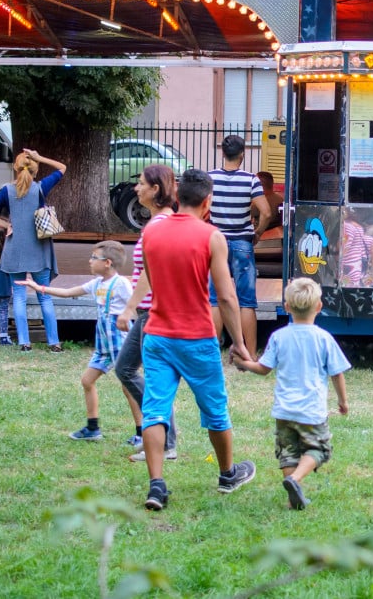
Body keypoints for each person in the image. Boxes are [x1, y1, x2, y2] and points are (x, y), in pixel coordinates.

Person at [139, 168, 257, 511]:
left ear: (177, 197)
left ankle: (157, 486)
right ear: (208, 202)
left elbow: (151, 278)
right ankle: (227, 474)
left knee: (155, 410)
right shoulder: (211, 236)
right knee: (215, 410)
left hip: (158, 335)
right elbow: (227, 296)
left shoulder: (151, 232)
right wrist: (239, 342)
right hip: (197, 337)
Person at [231, 278, 350, 510]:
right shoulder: (324, 338)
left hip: (284, 411)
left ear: (286, 307)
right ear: (319, 306)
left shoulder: (278, 337)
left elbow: (264, 369)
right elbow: (337, 374)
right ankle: (294, 480)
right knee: (320, 449)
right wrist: (343, 401)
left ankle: (291, 498)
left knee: (289, 453)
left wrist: (242, 362)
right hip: (311, 411)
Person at [18, 241, 134, 441]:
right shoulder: (96, 283)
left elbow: (135, 304)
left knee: (128, 386)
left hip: (119, 339)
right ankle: (92, 428)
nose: (89, 261)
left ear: (107, 263)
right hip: (103, 342)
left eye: (93, 257)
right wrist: (39, 288)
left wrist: (132, 318)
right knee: (87, 381)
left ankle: (142, 432)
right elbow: (68, 292)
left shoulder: (121, 284)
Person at [114, 165, 179, 462]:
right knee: (131, 371)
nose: (136, 189)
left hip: (152, 312)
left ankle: (164, 443)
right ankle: (164, 441)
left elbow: (149, 275)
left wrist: (128, 308)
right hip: (149, 311)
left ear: (156, 190)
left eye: (141, 184)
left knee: (140, 375)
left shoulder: (159, 225)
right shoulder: (155, 223)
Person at [0, 149, 67, 353]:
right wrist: (40, 157)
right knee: (44, 296)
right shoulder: (40, 188)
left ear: (15, 169)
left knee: (18, 296)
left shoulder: (6, 191)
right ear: (35, 171)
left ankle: (24, 342)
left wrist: (5, 225)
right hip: (40, 250)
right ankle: (54, 342)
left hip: (15, 250)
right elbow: (62, 168)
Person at [208, 134, 271, 358]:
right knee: (246, 300)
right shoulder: (250, 180)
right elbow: (266, 212)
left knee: (214, 298)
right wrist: (257, 233)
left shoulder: (210, 178)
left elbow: (203, 208)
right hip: (242, 242)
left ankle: (214, 355)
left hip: (216, 242)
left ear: (223, 153)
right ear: (242, 154)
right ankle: (251, 354)